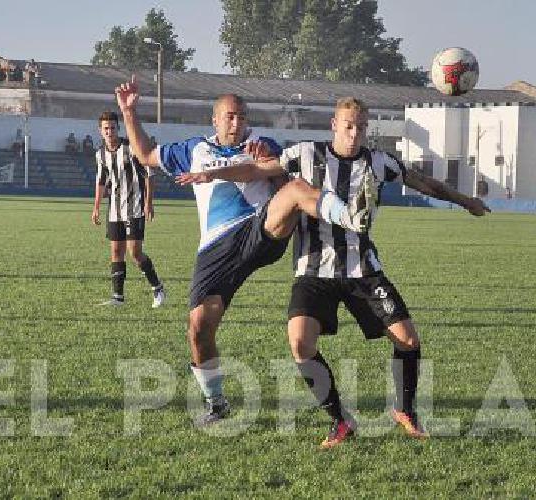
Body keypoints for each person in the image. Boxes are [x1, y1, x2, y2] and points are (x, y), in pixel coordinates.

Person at [178, 97, 490, 448]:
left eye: (360, 127)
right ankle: (340, 421)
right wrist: (212, 173)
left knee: (408, 340)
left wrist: (467, 201)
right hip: (313, 271)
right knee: (300, 343)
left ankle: (405, 411)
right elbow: (254, 169)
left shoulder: (379, 162)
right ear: (334, 125)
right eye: (348, 126)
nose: (354, 133)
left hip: (363, 270)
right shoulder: (305, 154)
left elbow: (422, 182)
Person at [116, 74, 373, 427]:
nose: (237, 123)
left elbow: (289, 185)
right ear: (215, 119)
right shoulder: (193, 151)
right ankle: (216, 404)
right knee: (198, 328)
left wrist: (271, 163)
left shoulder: (261, 144)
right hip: (216, 249)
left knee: (296, 189)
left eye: (242, 117)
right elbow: (144, 154)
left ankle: (348, 215)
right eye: (230, 116)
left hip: (259, 230)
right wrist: (129, 112)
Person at [92, 111, 166, 308]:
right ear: (100, 131)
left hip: (135, 207)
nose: (109, 131)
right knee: (116, 251)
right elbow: (101, 181)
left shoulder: (131, 148)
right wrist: (96, 207)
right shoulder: (100, 154)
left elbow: (149, 174)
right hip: (115, 209)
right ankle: (118, 297)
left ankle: (157, 287)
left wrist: (149, 202)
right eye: (105, 128)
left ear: (118, 128)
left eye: (113, 128)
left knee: (135, 253)